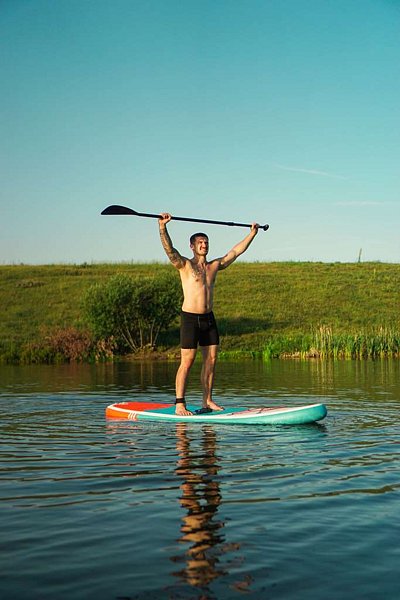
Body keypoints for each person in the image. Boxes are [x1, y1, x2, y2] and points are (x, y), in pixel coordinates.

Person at [159, 213, 260, 415]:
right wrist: (162, 227)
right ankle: (180, 403)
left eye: (206, 242)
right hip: (190, 319)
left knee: (211, 360)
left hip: (209, 319)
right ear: (192, 246)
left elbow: (235, 252)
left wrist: (252, 233)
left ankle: (207, 401)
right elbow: (170, 251)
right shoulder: (185, 265)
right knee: (187, 362)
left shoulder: (214, 266)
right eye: (200, 242)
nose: (204, 245)